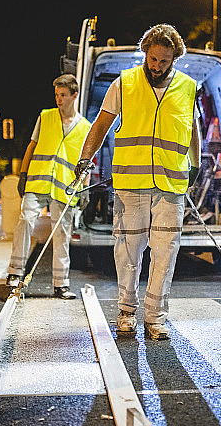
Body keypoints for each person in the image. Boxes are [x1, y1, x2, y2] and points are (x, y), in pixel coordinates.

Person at [75, 24, 201, 340]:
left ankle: (155, 318)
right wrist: (84, 159)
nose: (158, 66)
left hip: (171, 187)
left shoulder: (187, 87)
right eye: (154, 59)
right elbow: (100, 125)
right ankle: (126, 313)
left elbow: (192, 129)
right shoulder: (124, 84)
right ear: (145, 51)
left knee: (165, 254)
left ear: (175, 58)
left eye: (165, 61)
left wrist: (195, 164)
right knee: (129, 253)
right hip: (131, 184)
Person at [6, 74, 90, 299]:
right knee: (25, 220)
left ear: (74, 95)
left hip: (64, 189)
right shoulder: (45, 117)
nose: (59, 99)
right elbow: (31, 147)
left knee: (62, 233)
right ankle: (15, 273)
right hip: (38, 181)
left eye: (63, 95)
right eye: (56, 95)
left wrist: (85, 189)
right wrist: (23, 174)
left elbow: (86, 162)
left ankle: (61, 284)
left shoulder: (85, 128)